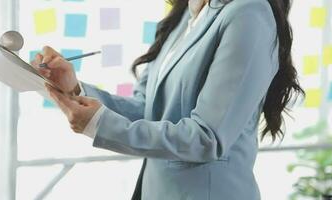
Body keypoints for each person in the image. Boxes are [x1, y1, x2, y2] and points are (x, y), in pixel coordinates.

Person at [31, 0, 304, 199]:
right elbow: (148, 110)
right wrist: (75, 89)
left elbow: (206, 136)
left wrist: (100, 124)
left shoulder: (248, 13)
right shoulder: (187, 14)